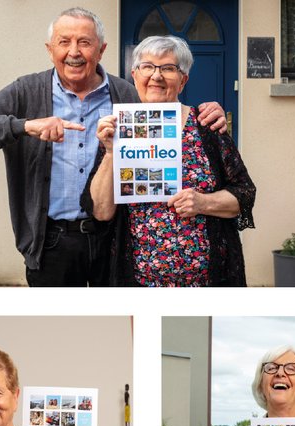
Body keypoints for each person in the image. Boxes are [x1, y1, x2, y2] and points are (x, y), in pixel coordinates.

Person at [0, 8, 224, 286]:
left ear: (101, 49)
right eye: (64, 41)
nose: (74, 52)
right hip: (52, 242)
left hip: (114, 239)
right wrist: (26, 126)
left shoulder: (125, 94)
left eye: (84, 42)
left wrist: (208, 111)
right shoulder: (26, 91)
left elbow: (168, 112)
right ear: (50, 49)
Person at [87, 36, 256, 286]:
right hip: (139, 284)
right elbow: (101, 212)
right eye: (148, 66)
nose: (156, 76)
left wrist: (203, 202)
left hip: (205, 284)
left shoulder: (206, 124)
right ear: (135, 75)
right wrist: (111, 153)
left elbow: (244, 196)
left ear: (183, 80)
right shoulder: (120, 129)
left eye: (168, 68)